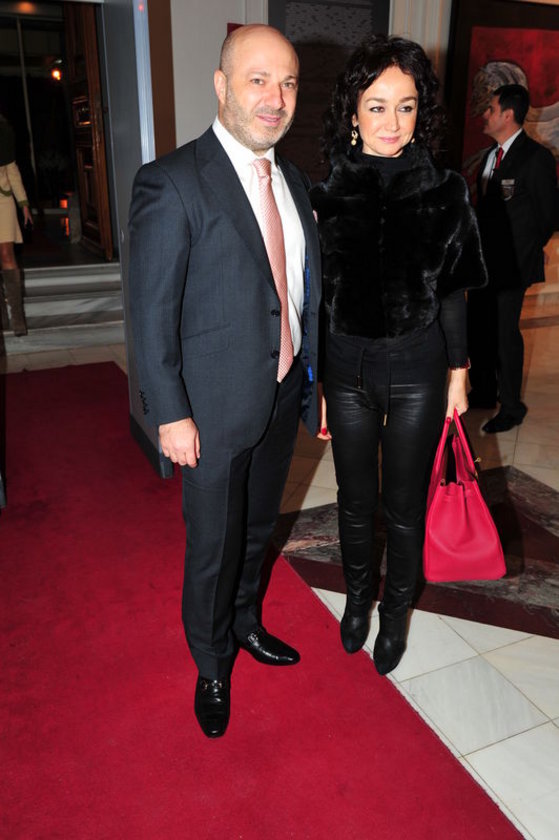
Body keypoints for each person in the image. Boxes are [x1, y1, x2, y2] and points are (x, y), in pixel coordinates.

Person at [128, 24, 321, 738]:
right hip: (208, 410)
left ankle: (245, 622)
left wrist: (313, 382)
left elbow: (300, 295)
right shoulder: (171, 181)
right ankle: (211, 664)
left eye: (288, 83)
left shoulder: (293, 180)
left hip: (280, 392)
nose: (275, 98)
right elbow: (150, 314)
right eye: (257, 80)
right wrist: (169, 413)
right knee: (213, 544)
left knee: (256, 529)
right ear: (221, 85)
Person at [310, 35, 487, 675]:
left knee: (404, 507)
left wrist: (458, 374)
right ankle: (358, 600)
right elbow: (316, 300)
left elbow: (453, 293)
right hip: (346, 371)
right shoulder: (324, 195)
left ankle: (395, 614)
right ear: (353, 112)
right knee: (354, 499)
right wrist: (319, 383)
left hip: (418, 371)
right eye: (377, 106)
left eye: (406, 106)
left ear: (422, 112)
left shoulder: (447, 191)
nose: (392, 122)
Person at [468, 83, 557, 433]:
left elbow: (549, 215)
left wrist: (528, 249)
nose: (484, 115)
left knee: (504, 334)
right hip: (483, 263)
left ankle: (511, 406)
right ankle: (483, 391)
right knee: (479, 327)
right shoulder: (490, 156)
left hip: (513, 265)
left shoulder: (535, 158)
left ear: (507, 114)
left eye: (490, 109)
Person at [0, 114, 33, 336]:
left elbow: (12, 172)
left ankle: (17, 318)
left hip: (3, 201)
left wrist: (24, 204)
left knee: (6, 253)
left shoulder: (3, 132)